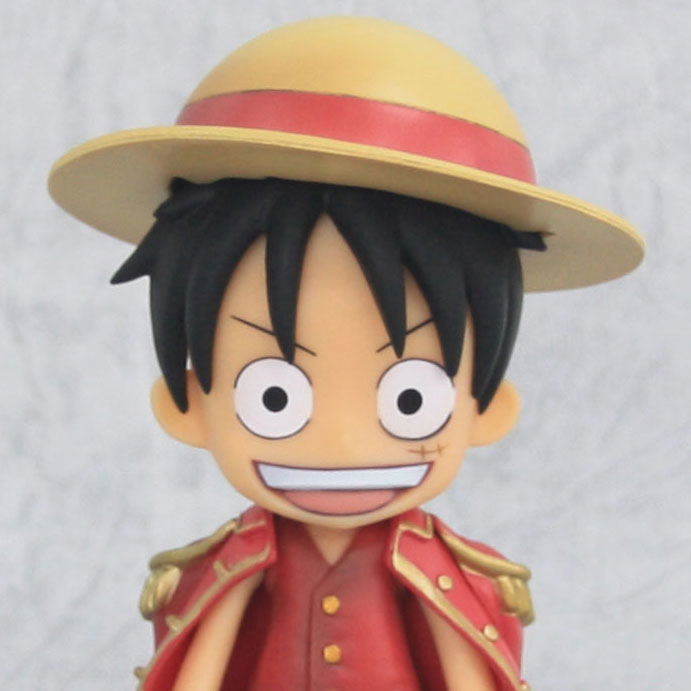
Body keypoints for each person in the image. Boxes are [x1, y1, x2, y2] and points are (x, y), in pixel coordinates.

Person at [48, 16, 644, 691]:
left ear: (486, 409)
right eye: (273, 397)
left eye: (409, 398)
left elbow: (466, 663)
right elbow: (198, 660)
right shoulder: (233, 562)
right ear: (187, 405)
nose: (339, 440)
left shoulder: (446, 570)